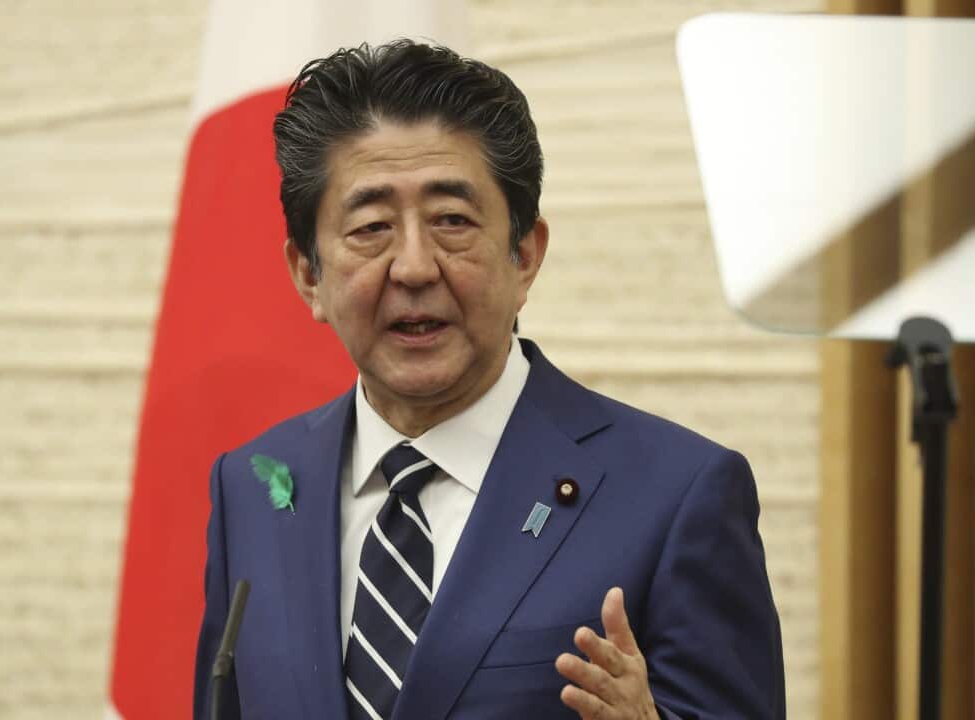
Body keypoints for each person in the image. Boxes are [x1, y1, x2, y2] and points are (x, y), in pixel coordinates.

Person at [193, 39, 784, 719]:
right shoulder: (253, 487)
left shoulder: (677, 496)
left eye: (452, 221)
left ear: (525, 255)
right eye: (371, 227)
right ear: (309, 275)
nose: (414, 266)